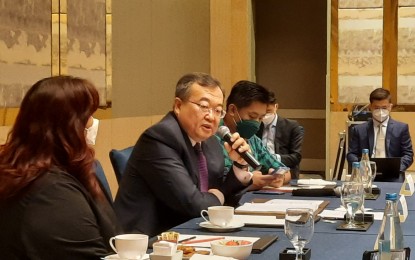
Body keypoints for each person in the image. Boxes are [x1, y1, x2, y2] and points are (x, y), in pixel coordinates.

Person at [114, 72, 254, 237]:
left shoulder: (210, 142)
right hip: (148, 242)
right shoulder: (159, 138)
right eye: (203, 106)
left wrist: (239, 165)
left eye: (217, 110)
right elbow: (195, 205)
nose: (211, 117)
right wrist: (217, 195)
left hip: (189, 233)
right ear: (178, 106)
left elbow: (223, 192)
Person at [0, 76, 120, 259]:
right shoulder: (51, 193)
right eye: (88, 115)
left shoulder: (64, 169)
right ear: (69, 126)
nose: (93, 123)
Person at [217, 80, 292, 190]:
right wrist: (249, 181)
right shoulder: (212, 138)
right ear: (232, 109)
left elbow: (285, 170)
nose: (256, 123)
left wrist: (279, 177)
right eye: (252, 116)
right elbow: (219, 182)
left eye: (261, 118)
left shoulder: (253, 140)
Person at [347, 88, 414, 177]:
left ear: (390, 107)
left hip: (394, 176)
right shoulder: (359, 130)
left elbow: (408, 155)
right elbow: (351, 154)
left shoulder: (401, 128)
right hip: (365, 175)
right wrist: (361, 167)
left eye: (384, 108)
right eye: (377, 108)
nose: (381, 111)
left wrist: (397, 168)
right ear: (370, 107)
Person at [257, 91, 305, 179]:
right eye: (262, 113)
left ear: (276, 107)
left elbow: (296, 157)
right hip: (259, 171)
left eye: (268, 111)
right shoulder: (256, 126)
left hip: (284, 170)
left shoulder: (291, 126)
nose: (265, 116)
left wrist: (272, 158)